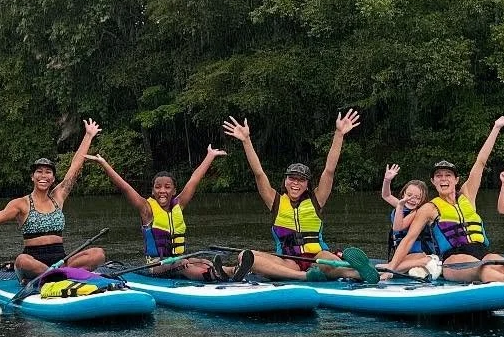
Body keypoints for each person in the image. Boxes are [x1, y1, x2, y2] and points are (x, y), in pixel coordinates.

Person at [0, 119, 107, 279]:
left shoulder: (59, 196)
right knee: (21, 261)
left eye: (48, 172)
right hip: (33, 262)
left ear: (53, 178)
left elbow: (75, 166)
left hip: (61, 260)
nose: (43, 176)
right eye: (39, 172)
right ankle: (56, 274)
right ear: (32, 177)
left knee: (97, 254)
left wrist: (88, 135)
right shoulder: (21, 204)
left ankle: (58, 273)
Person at [222, 110, 367, 281]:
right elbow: (259, 173)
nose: (295, 183)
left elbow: (329, 170)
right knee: (245, 256)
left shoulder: (316, 200)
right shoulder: (275, 201)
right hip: (290, 263)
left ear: (307, 185)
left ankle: (357, 273)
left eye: (301, 180)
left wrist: (339, 134)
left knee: (326, 258)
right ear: (285, 181)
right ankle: (305, 277)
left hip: (317, 258)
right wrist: (246, 141)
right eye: (292, 178)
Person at [388, 111, 504, 282]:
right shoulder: (429, 208)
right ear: (433, 181)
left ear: (456, 180)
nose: (443, 179)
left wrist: (496, 128)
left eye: (448, 175)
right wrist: (391, 269)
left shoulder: (467, 194)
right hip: (454, 259)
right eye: (439, 176)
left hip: (483, 251)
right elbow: (408, 240)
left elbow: (480, 162)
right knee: (484, 270)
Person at [89, 144, 228, 280]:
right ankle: (212, 275)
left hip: (178, 260)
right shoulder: (147, 209)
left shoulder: (178, 205)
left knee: (202, 261)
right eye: (158, 187)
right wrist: (104, 164)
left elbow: (194, 180)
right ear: (153, 190)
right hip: (156, 266)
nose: (162, 191)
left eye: (167, 187)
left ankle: (232, 270)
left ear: (173, 191)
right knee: (183, 263)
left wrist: (210, 156)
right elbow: (125, 187)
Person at [380, 164, 436, 273]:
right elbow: (386, 195)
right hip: (406, 255)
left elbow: (398, 227)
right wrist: (387, 180)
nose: (412, 199)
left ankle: (424, 262)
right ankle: (396, 267)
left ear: (423, 200)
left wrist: (400, 206)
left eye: (417, 198)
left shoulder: (417, 212)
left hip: (419, 254)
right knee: (389, 265)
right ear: (403, 194)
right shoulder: (402, 205)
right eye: (409, 195)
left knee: (385, 267)